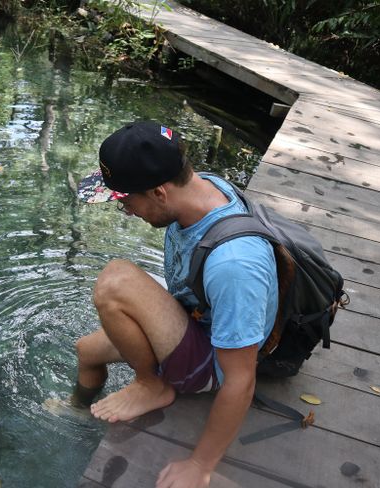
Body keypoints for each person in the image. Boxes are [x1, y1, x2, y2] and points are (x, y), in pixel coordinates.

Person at [74, 121, 279, 487]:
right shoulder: (203, 187)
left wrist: (200, 465)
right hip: (194, 317)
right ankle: (77, 414)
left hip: (212, 362)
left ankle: (151, 384)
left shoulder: (235, 264)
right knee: (86, 351)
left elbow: (240, 379)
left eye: (125, 201)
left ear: (159, 192)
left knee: (115, 281)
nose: (126, 212)